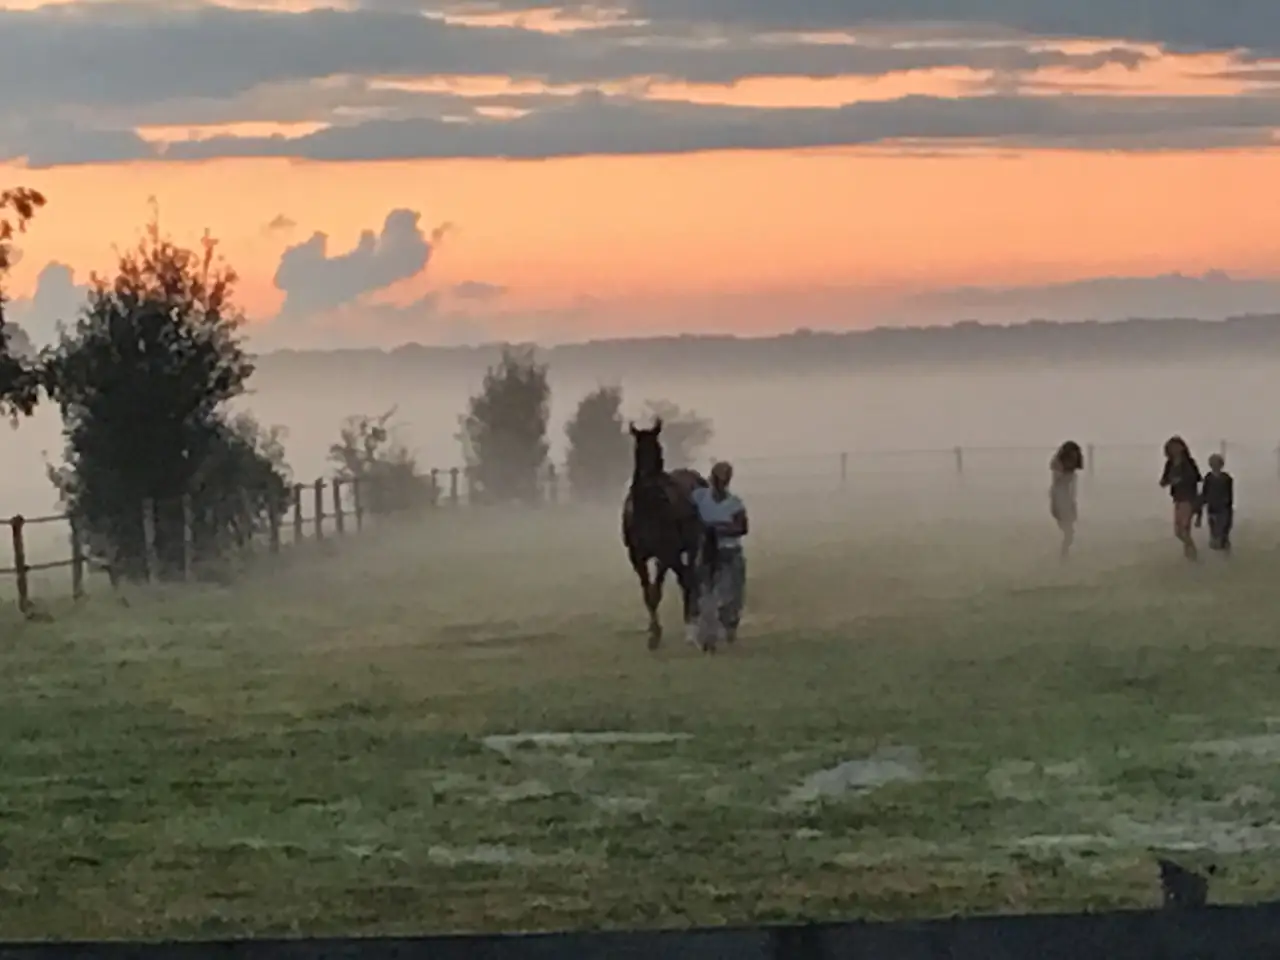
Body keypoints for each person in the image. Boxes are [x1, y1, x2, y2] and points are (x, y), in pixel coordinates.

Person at [691, 461, 749, 649]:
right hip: (708, 552)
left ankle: (729, 623)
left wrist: (716, 528)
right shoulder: (699, 497)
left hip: (729, 551)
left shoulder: (735, 503)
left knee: (730, 594)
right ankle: (708, 636)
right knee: (707, 594)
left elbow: (742, 527)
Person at [1159, 436, 1201, 561]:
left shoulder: (1189, 462)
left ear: (1182, 447)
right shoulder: (1170, 463)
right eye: (1172, 447)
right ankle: (1190, 553)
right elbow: (1164, 480)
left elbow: (1196, 478)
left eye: (1177, 446)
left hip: (1189, 497)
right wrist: (1167, 482)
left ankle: (1192, 555)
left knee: (1184, 529)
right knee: (1178, 531)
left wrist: (1180, 480)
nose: (1175, 449)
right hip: (1177, 498)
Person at [1049, 441, 1084, 559]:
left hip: (1067, 500)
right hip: (1061, 500)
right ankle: (1063, 556)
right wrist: (1058, 505)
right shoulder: (1059, 468)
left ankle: (1064, 555)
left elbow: (1071, 489)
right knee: (1068, 532)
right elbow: (1056, 487)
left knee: (1069, 532)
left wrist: (1072, 503)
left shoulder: (1069, 470)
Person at [1198, 452, 1234, 554]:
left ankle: (1226, 555)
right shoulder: (1208, 478)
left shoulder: (1227, 478)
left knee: (1223, 534)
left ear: (1221, 464)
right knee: (1214, 535)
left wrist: (1229, 510)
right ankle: (1217, 557)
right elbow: (1204, 494)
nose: (1215, 466)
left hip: (1224, 510)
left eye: (1217, 463)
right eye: (1213, 463)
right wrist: (1199, 509)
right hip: (1212, 509)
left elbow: (1230, 496)